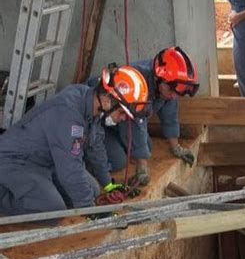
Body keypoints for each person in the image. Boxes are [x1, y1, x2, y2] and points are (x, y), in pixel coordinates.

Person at [0, 65, 150, 215]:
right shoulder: (69, 114)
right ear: (107, 100)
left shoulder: (92, 104)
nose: (123, 118)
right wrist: (90, 211)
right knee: (52, 209)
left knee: (93, 189)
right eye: (122, 113)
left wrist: (109, 184)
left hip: (47, 160)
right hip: (16, 161)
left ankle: (37, 190)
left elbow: (95, 147)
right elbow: (70, 169)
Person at [88, 47, 199, 186]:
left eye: (179, 92)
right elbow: (135, 123)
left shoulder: (166, 86)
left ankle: (114, 143)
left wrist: (176, 147)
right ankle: (88, 160)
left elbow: (169, 113)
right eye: (172, 90)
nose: (174, 95)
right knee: (118, 161)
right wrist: (142, 167)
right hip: (96, 121)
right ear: (158, 79)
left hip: (118, 119)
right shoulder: (137, 84)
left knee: (146, 146)